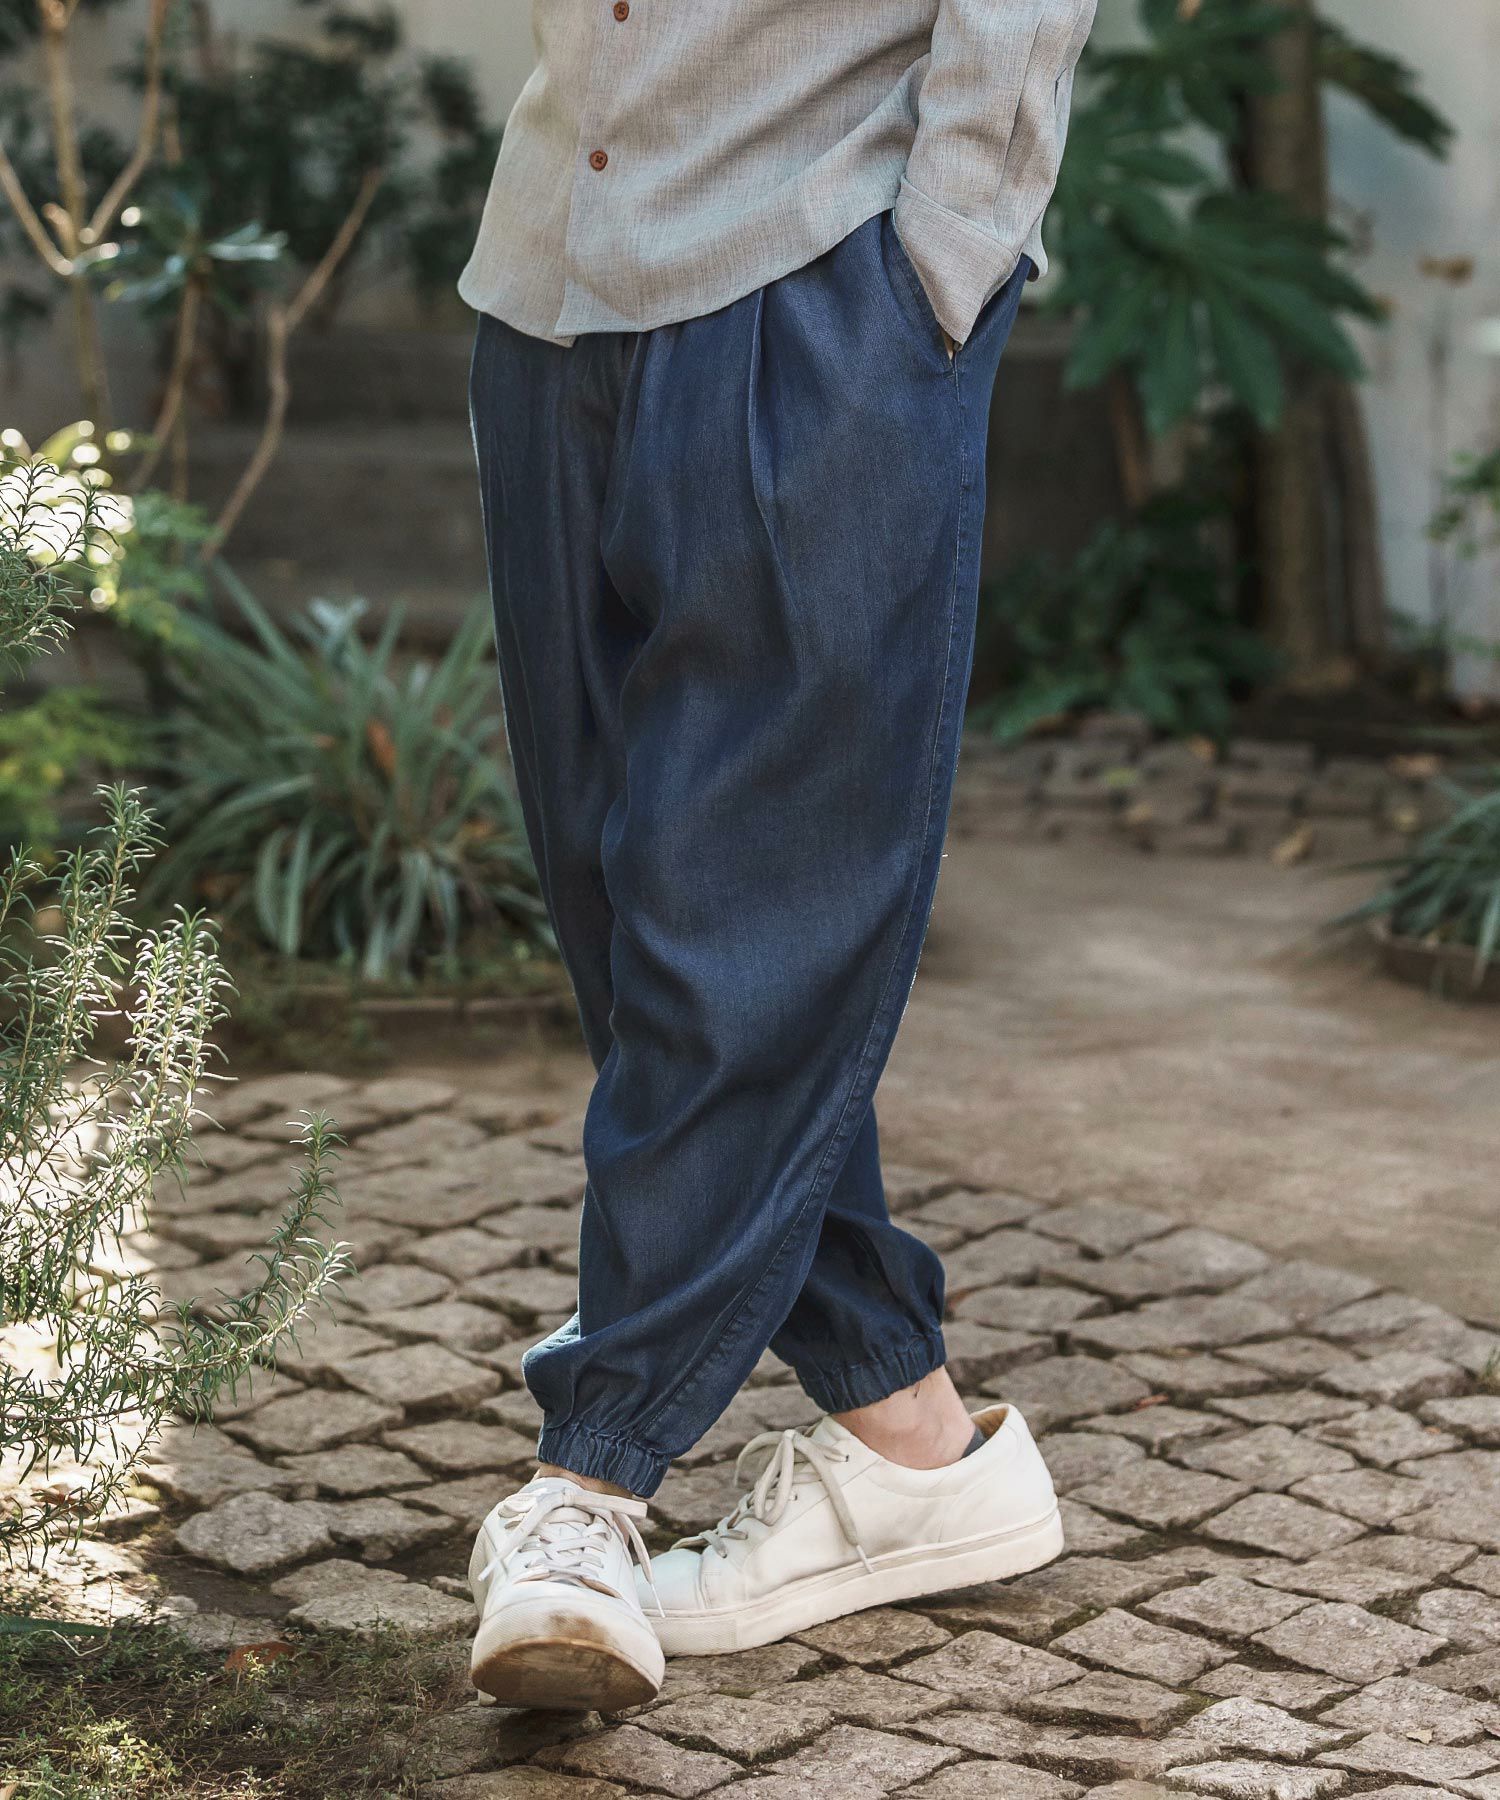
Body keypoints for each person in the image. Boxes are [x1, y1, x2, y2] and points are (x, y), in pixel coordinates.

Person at [462, 0, 1097, 1711]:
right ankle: (913, 1438)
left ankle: (592, 1481)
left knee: (748, 903)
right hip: (547, 280)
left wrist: (944, 265)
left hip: (813, 281)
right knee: (625, 903)